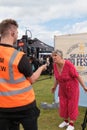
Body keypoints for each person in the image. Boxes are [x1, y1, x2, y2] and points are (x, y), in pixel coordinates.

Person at [0, 18, 47, 130]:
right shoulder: (19, 57)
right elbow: (32, 79)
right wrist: (41, 68)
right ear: (12, 33)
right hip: (24, 105)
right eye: (17, 33)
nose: (17, 35)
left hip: (3, 108)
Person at [51, 49, 87, 130]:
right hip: (62, 87)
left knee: (72, 104)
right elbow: (57, 78)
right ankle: (66, 121)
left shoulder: (68, 64)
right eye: (53, 56)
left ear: (61, 56)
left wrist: (84, 86)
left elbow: (77, 76)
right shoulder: (55, 65)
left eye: (55, 55)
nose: (53, 57)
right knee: (63, 104)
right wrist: (54, 87)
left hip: (72, 87)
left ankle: (71, 123)